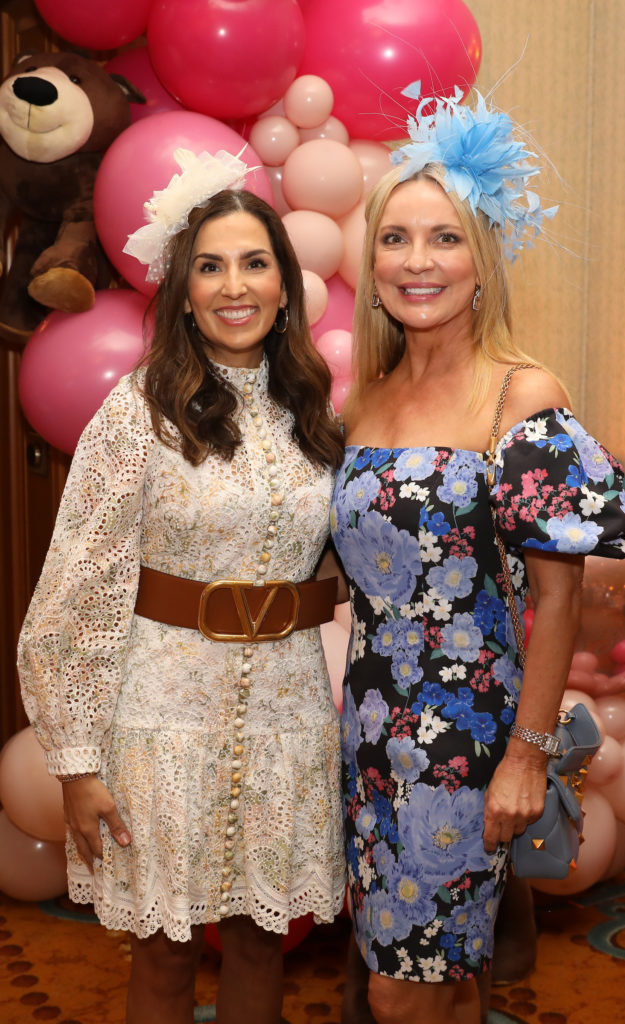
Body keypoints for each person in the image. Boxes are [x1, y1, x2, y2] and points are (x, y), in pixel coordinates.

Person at [17, 149, 347, 1024]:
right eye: (210, 266)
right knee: (163, 952)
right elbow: (74, 588)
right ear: (183, 290)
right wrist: (77, 762)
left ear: (284, 285)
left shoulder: (316, 412)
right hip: (161, 714)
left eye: (254, 261)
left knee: (257, 943)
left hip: (288, 712)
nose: (233, 286)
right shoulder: (138, 411)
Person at [329, 88, 625, 1024]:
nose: (417, 262)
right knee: (439, 976)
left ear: (483, 258)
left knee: (402, 989)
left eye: (445, 238)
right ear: (370, 256)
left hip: (467, 741)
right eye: (396, 239)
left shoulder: (519, 395)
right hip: (372, 728)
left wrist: (526, 757)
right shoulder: (365, 401)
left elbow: (561, 593)